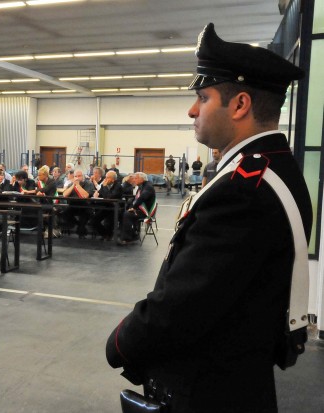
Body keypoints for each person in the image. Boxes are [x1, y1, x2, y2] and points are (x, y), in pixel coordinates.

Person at [106, 23, 311, 412]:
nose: (192, 109)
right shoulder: (269, 170)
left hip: (210, 391)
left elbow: (182, 306)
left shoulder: (244, 189)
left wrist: (119, 342)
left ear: (240, 105)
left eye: (203, 96)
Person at [117, 172, 155, 244]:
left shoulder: (148, 187)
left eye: (136, 178)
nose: (134, 180)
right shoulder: (142, 186)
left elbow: (142, 197)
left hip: (146, 212)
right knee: (122, 212)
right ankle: (126, 233)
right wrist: (132, 207)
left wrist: (134, 207)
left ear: (142, 179)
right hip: (140, 210)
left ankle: (127, 238)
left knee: (127, 214)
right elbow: (136, 199)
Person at [90, 170, 122, 241]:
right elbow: (101, 194)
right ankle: (105, 234)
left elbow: (111, 197)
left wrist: (104, 187)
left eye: (108, 178)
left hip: (115, 208)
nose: (106, 179)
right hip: (105, 207)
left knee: (109, 221)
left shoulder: (118, 186)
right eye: (106, 177)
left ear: (113, 179)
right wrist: (96, 195)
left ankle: (108, 235)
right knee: (93, 221)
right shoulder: (104, 185)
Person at [62, 169, 94, 239]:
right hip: (73, 205)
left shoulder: (88, 183)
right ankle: (79, 226)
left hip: (85, 206)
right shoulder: (71, 184)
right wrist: (73, 185)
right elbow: (64, 194)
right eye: (75, 176)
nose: (77, 178)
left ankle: (81, 233)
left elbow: (86, 195)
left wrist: (78, 185)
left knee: (84, 216)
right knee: (64, 214)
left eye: (79, 176)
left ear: (83, 177)